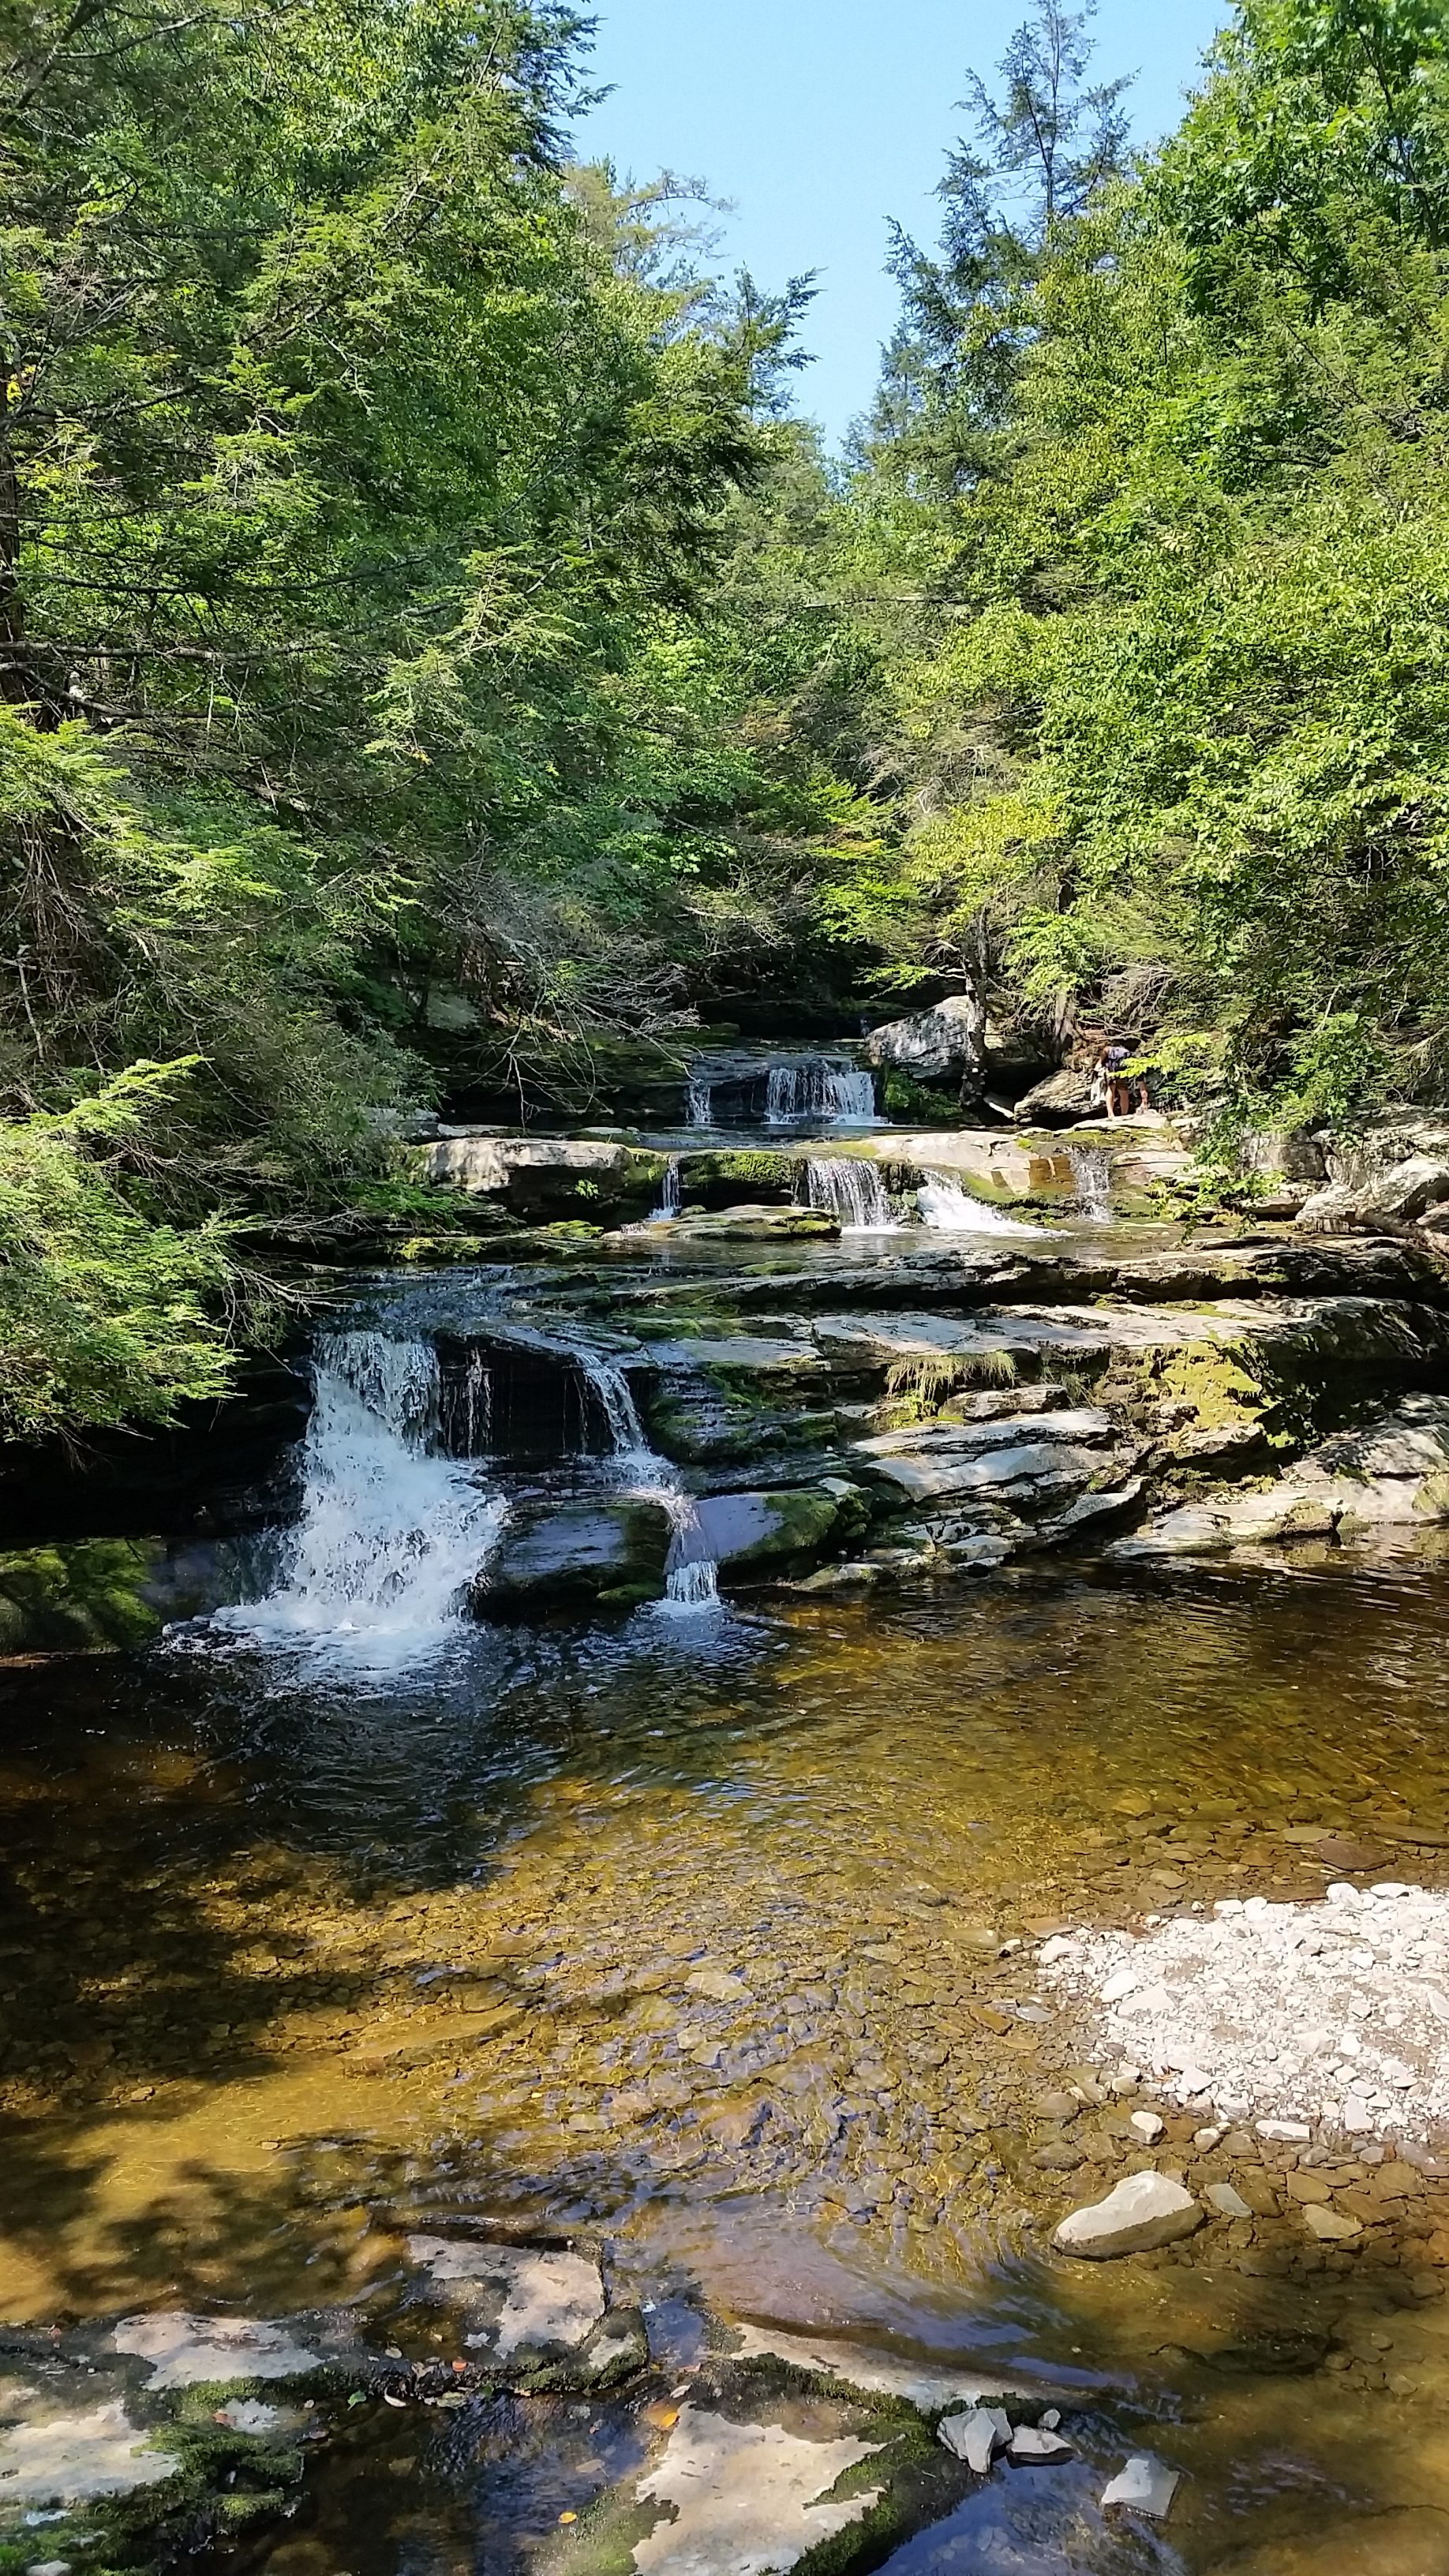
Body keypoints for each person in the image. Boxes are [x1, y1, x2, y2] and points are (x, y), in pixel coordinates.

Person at [1099, 1040, 1132, 1120]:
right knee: (1116, 1090)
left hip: (1119, 1071)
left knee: (1118, 1090)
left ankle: (1117, 1114)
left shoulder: (1117, 1052)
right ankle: (1117, 1114)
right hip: (1117, 1070)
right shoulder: (1116, 1051)